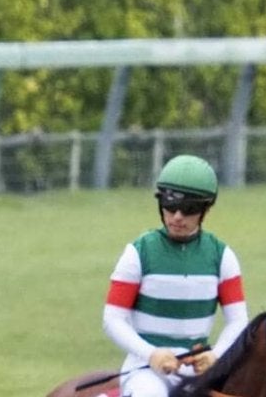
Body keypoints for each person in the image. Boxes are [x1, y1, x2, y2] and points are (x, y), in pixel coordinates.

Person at [102, 154, 249, 397]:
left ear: (206, 210)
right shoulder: (138, 252)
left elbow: (238, 320)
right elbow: (112, 319)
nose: (177, 216)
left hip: (199, 369)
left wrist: (216, 355)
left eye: (188, 209)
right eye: (170, 206)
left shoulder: (222, 256)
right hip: (145, 370)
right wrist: (151, 354)